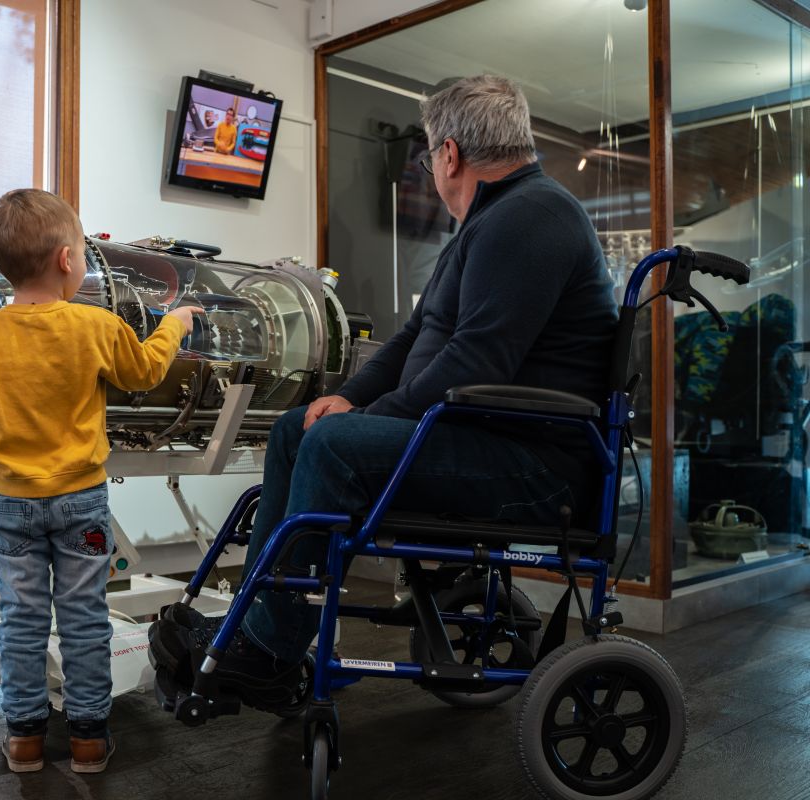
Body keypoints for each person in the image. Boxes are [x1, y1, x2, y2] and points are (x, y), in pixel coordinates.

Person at [150, 74, 619, 711]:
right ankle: (260, 629)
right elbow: (417, 337)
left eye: (429, 158)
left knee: (334, 448)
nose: (432, 171)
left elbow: (474, 361)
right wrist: (347, 401)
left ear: (449, 154)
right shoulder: (495, 220)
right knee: (298, 429)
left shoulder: (531, 219)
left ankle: (266, 650)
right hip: (486, 441)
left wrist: (363, 420)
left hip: (536, 468)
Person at [0, 189, 198, 773]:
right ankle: (87, 738)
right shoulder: (96, 325)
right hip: (82, 502)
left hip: (12, 502)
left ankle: (25, 740)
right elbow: (144, 371)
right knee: (84, 618)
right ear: (66, 260)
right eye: (84, 252)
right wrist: (173, 325)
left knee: (22, 620)